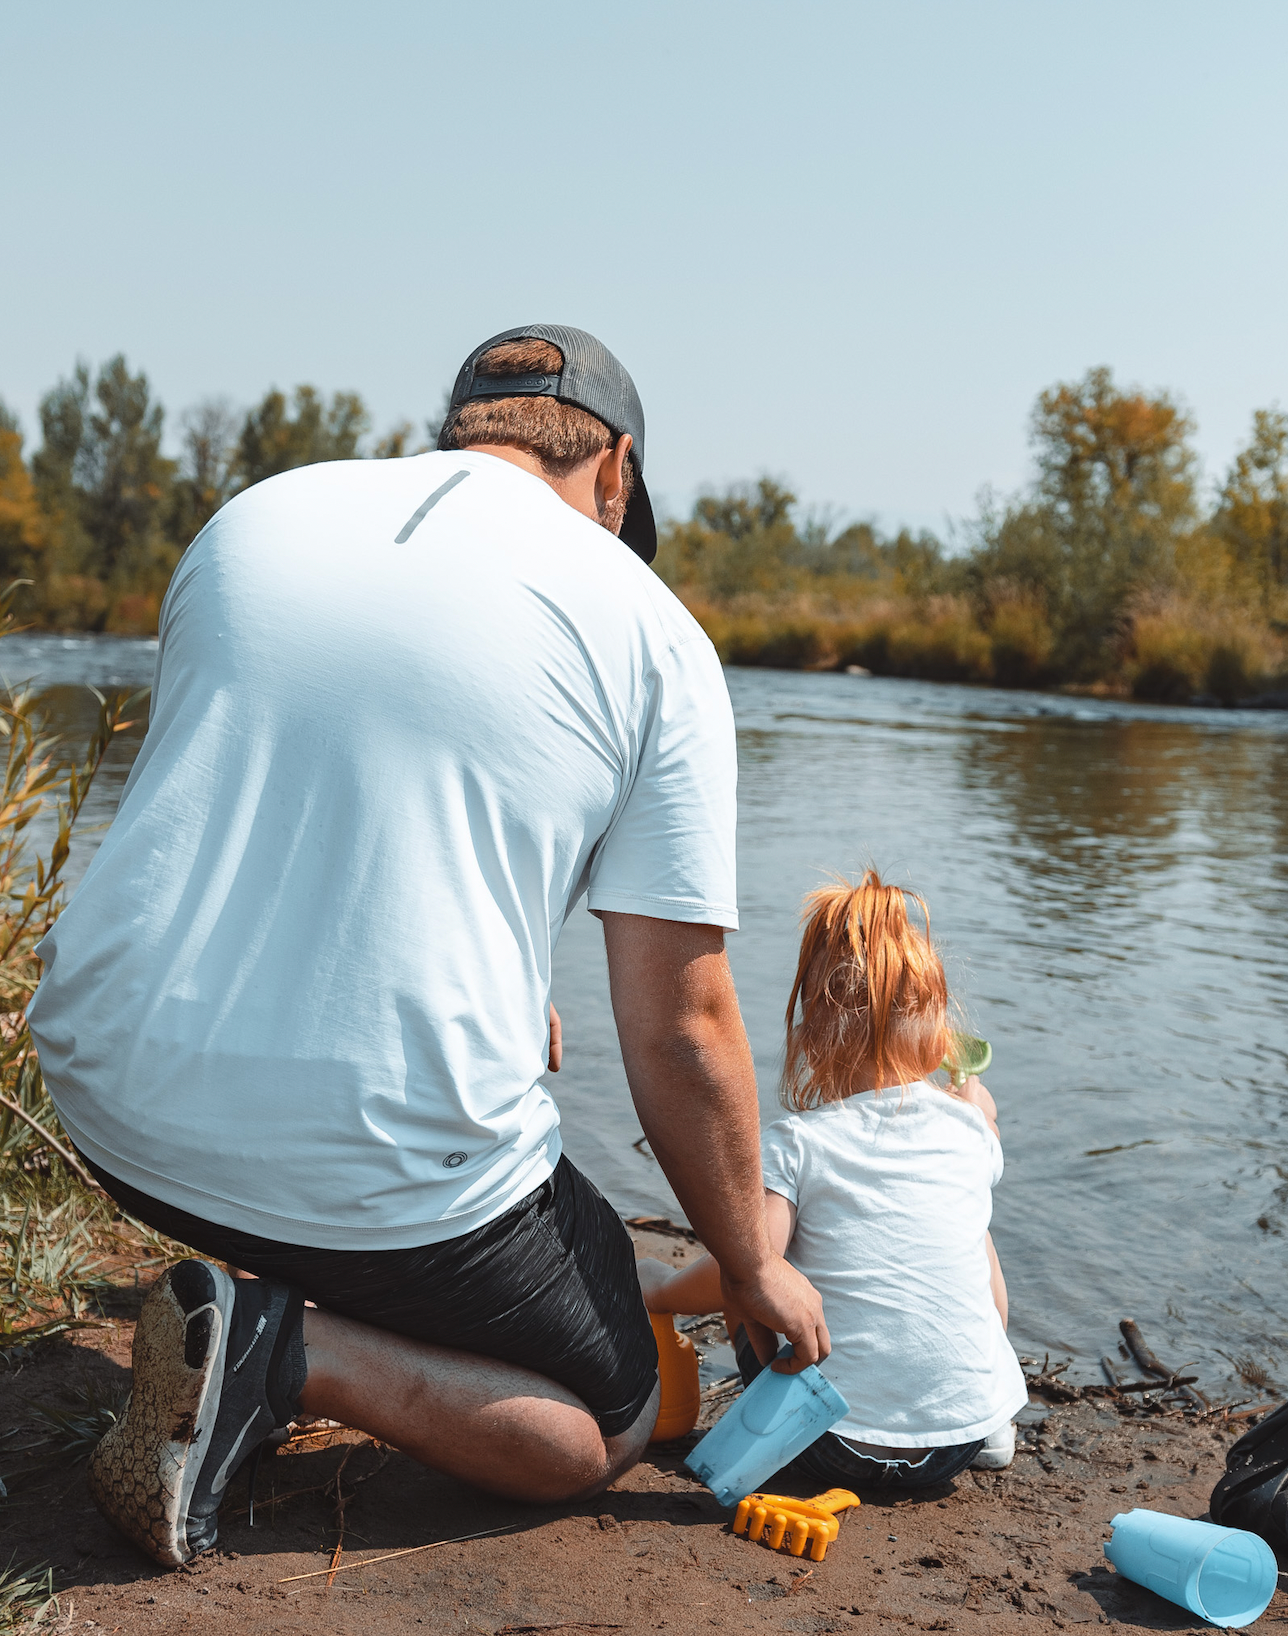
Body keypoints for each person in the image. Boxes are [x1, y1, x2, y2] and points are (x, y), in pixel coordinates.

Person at [27, 325, 827, 1566]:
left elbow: (283, 819)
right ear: (612, 471)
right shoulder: (649, 626)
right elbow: (681, 1022)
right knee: (600, 1419)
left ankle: (277, 1287)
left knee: (434, 1189)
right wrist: (747, 1262)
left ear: (463, 427)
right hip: (363, 1160)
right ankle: (281, 1348)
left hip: (107, 1099)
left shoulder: (254, 519)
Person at [638, 871, 1027, 1490]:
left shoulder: (799, 1143)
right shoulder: (970, 1129)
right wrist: (977, 1114)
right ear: (940, 1040)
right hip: (957, 1444)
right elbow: (979, 1132)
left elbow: (745, 1269)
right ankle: (993, 1414)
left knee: (758, 1266)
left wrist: (663, 1292)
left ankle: (769, 1418)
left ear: (811, 1039)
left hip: (835, 1445)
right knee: (974, 1234)